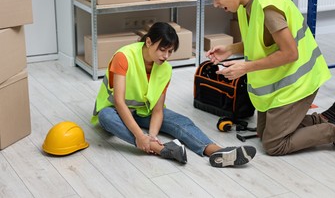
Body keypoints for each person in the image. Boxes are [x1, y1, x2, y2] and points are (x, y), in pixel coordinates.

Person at [201, 0, 335, 155]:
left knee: (274, 145)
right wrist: (231, 49)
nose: (215, 4)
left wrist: (245, 67)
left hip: (299, 81)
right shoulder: (245, 2)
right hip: (281, 80)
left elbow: (291, 53)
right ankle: (329, 117)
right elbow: (262, 42)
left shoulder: (268, 8)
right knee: (263, 132)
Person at [91, 22, 256, 167]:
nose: (166, 56)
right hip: (114, 109)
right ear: (148, 42)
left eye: (170, 51)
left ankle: (217, 151)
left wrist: (153, 135)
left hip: (143, 111)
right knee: (106, 117)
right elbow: (119, 102)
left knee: (181, 121)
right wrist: (140, 136)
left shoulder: (165, 69)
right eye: (163, 50)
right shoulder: (124, 57)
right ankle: (160, 149)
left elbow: (157, 110)